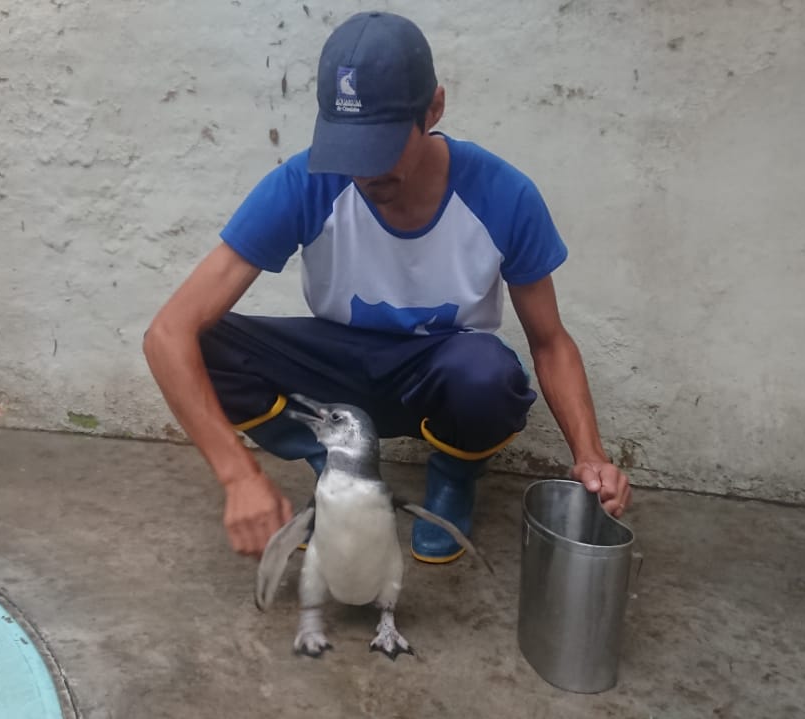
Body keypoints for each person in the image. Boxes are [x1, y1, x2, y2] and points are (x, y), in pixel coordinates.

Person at [142, 10, 632, 563]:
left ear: (435, 109)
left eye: (382, 144)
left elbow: (550, 342)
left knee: (489, 376)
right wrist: (238, 477)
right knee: (201, 345)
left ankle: (452, 477)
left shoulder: (504, 195)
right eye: (349, 148)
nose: (366, 171)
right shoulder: (306, 182)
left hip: (437, 370)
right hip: (336, 369)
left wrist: (590, 455)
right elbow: (166, 333)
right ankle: (339, 470)